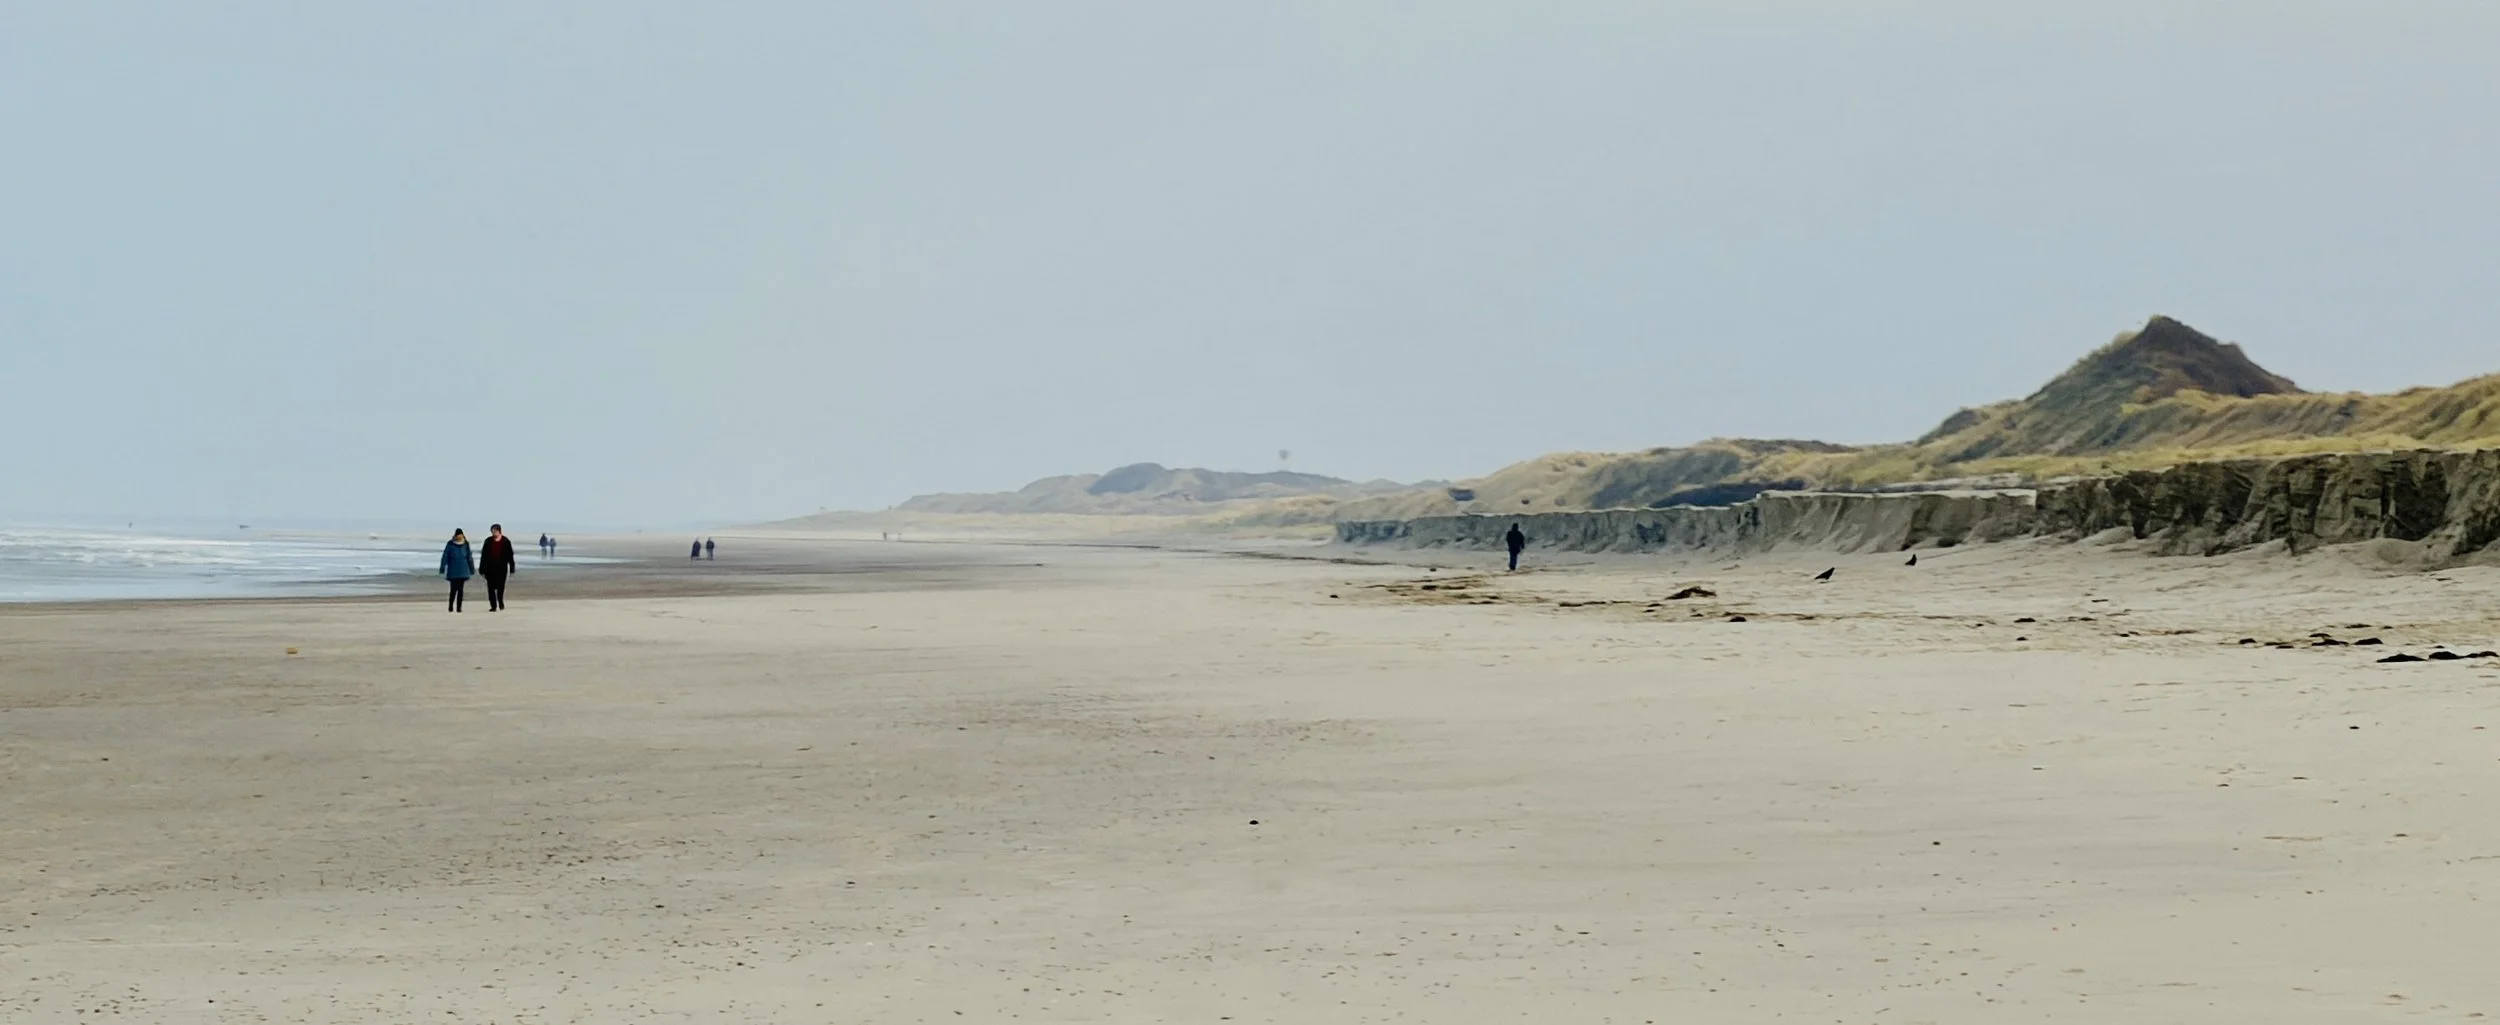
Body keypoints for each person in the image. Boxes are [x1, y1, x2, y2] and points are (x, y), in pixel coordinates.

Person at [480, 524, 519, 611]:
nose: (493, 533)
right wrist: (481, 569)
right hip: (489, 568)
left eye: (495, 531)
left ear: (499, 531)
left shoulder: (505, 541)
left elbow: (510, 555)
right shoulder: (488, 541)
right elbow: (483, 556)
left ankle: (500, 601)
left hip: (501, 568)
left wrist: (512, 568)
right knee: (490, 588)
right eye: (492, 531)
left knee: (500, 587)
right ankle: (493, 606)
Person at [440, 529, 475, 612]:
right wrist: (442, 567)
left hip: (463, 570)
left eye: (461, 535)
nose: (459, 537)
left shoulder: (466, 544)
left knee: (460, 590)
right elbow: (445, 556)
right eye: (458, 535)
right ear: (455, 536)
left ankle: (459, 607)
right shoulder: (450, 544)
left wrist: (471, 568)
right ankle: (451, 606)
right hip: (453, 570)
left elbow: (469, 557)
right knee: (453, 589)